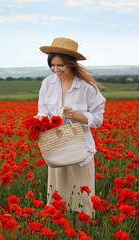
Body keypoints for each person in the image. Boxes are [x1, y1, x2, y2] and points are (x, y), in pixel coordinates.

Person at [36, 37, 106, 230]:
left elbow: (98, 119)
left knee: (81, 201)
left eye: (61, 65)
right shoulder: (47, 84)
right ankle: (61, 232)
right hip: (56, 150)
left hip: (80, 151)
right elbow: (42, 111)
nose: (56, 69)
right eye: (52, 65)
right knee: (58, 197)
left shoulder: (87, 87)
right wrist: (39, 122)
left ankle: (79, 233)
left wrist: (76, 115)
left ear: (71, 64)